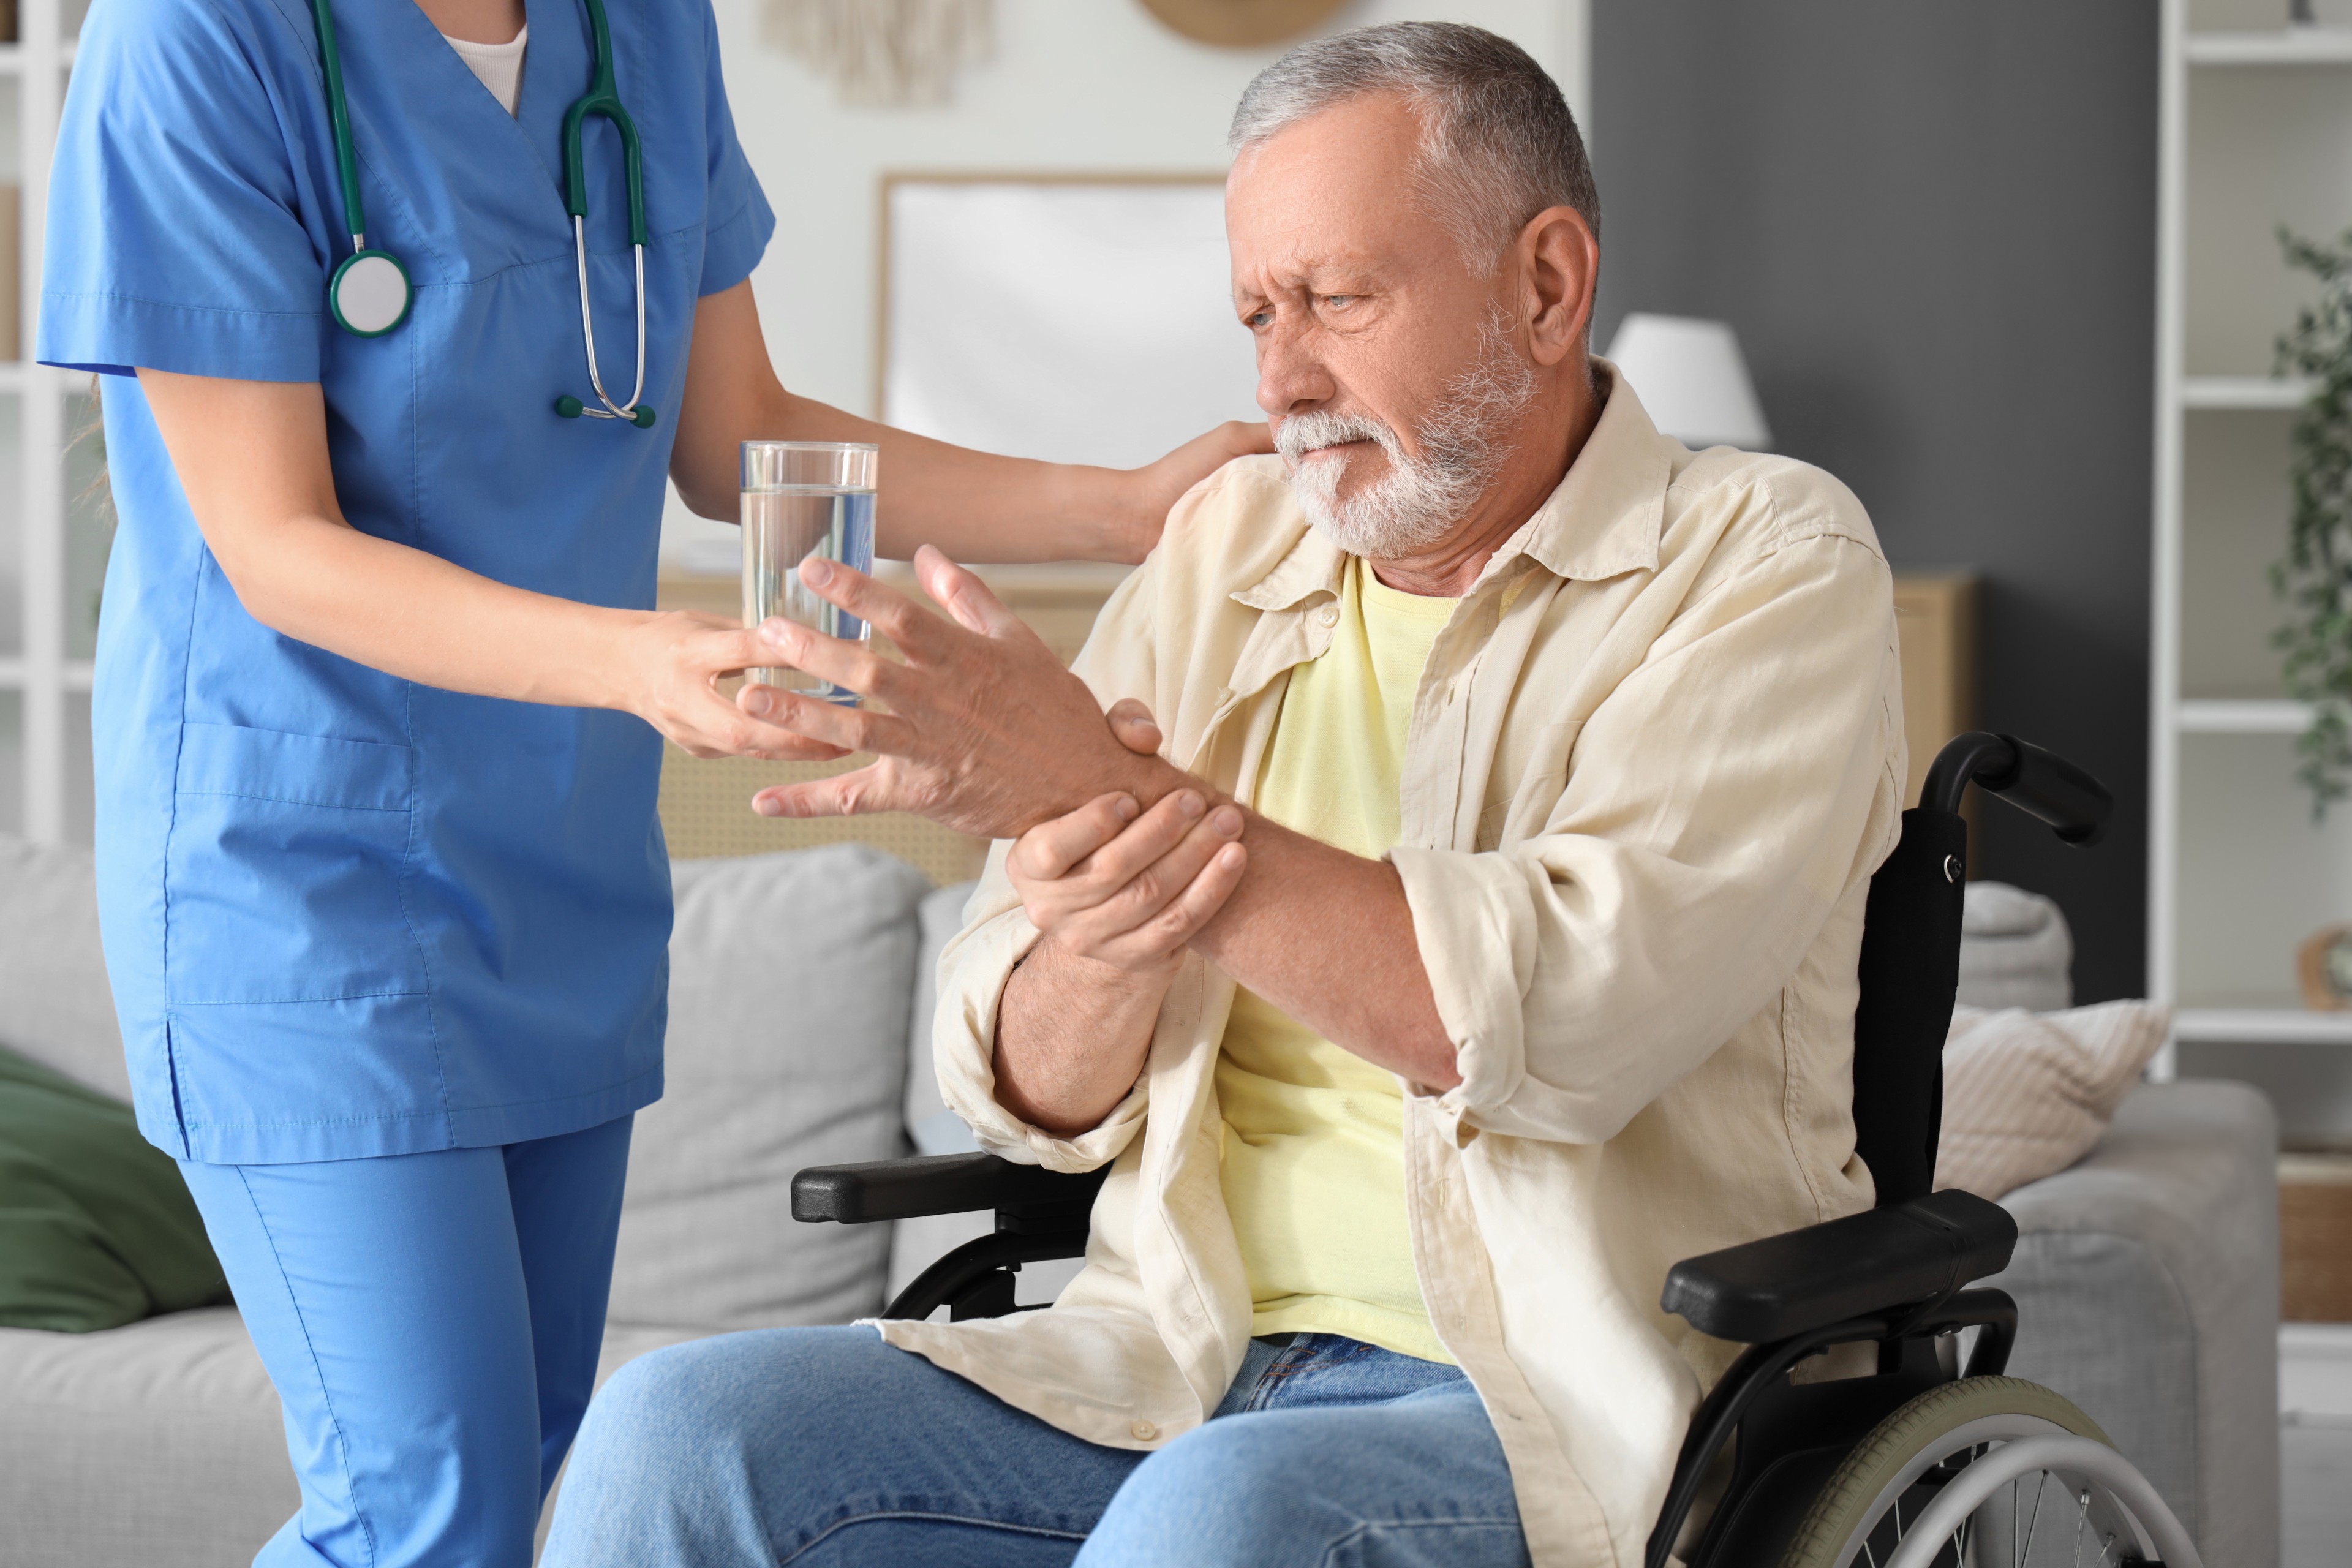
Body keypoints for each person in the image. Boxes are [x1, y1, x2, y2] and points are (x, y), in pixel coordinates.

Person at [544, 21, 1904, 1568]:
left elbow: (1551, 1023)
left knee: (1216, 1515)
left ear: (1544, 284)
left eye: (1337, 297)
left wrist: (1105, 793)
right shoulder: (1229, 547)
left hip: (1550, 1405)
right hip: (1166, 1360)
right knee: (674, 1432)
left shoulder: (1766, 560)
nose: (1282, 376)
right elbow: (1032, 1096)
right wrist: (1097, 926)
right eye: (1259, 311)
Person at [34, 0, 1263, 1563]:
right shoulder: (203, 37)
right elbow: (273, 545)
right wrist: (637, 658)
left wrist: (1125, 508)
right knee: (426, 1505)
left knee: (521, 1465)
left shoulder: (645, 34)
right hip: (297, 882)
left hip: (553, 870)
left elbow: (740, 436)